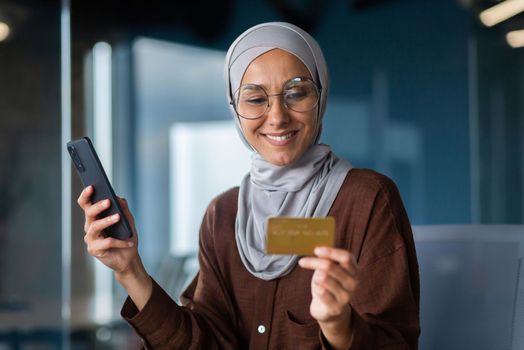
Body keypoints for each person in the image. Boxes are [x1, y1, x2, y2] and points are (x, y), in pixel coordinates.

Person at [77, 22, 420, 349]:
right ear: (235, 108)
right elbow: (204, 344)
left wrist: (338, 325)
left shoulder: (367, 200)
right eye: (256, 99)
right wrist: (129, 269)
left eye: (296, 93)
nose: (277, 117)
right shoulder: (224, 215)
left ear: (322, 95)